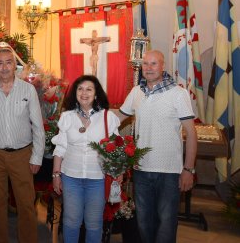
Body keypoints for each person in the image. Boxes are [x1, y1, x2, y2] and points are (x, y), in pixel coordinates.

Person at [115, 50, 197, 243]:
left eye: (153, 64)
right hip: (141, 169)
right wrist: (88, 118)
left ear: (163, 66)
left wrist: (188, 169)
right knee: (143, 222)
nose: (149, 68)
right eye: (145, 64)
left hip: (169, 172)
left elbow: (192, 134)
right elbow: (117, 118)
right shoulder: (136, 92)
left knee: (166, 223)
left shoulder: (178, 93)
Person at [0, 45, 45, 243]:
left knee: (26, 204)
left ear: (15, 65)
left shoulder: (28, 89)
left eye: (9, 62)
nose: (5, 67)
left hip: (22, 155)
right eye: (0, 63)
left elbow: (38, 126)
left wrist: (37, 156)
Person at [51, 75, 120, 243]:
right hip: (71, 177)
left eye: (89, 89)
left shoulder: (107, 117)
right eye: (80, 89)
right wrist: (56, 175)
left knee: (94, 224)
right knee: (71, 221)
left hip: (97, 179)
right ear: (75, 93)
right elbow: (60, 148)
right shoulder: (67, 117)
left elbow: (116, 149)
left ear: (96, 94)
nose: (84, 93)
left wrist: (118, 171)